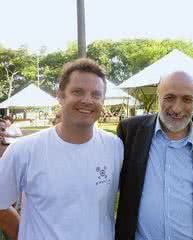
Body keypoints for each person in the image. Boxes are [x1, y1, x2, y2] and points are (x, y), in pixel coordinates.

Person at [0, 58, 123, 240]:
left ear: (103, 101)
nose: (87, 100)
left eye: (96, 95)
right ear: (60, 95)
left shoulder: (115, 146)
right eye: (77, 92)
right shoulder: (24, 150)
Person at [116, 71, 193, 240]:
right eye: (169, 97)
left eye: (187, 99)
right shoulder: (129, 131)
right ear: (158, 97)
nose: (177, 108)